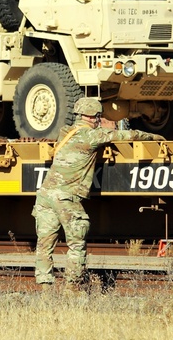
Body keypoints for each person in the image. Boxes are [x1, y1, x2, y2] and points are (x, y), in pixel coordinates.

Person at [33, 97, 165, 290]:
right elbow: (126, 135)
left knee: (44, 246)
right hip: (66, 197)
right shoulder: (92, 136)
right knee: (77, 244)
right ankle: (72, 289)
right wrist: (154, 137)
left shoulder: (65, 133)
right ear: (95, 118)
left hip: (44, 195)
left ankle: (45, 290)